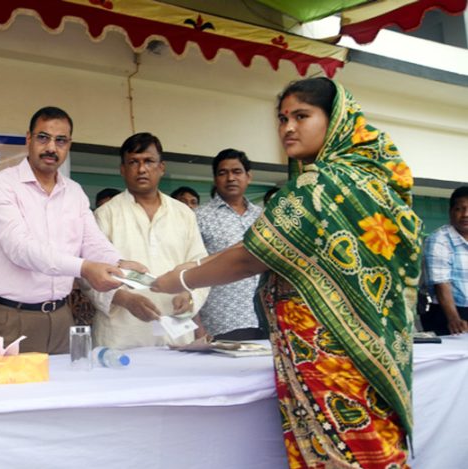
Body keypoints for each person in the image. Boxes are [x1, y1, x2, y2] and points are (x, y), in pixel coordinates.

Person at [151, 77, 419, 467]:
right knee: (368, 445)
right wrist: (194, 265)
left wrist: (182, 279)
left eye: (302, 116)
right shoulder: (366, 181)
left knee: (348, 452)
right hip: (361, 343)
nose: (288, 127)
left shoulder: (319, 185)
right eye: (282, 118)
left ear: (337, 120)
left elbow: (251, 257)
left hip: (331, 352)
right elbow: (260, 245)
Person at [0, 106, 138, 354]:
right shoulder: (2, 185)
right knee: (5, 393)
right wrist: (84, 268)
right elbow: (21, 249)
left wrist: (119, 263)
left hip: (61, 316)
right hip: (9, 316)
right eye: (43, 138)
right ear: (28, 139)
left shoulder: (74, 191)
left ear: (69, 144)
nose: (52, 147)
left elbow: (92, 241)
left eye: (60, 140)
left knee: (65, 391)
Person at [86, 133, 209, 348]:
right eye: (133, 162)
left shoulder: (184, 214)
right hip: (121, 338)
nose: (141, 169)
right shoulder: (105, 215)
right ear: (122, 169)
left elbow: (200, 265)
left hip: (176, 333)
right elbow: (89, 276)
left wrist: (189, 296)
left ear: (161, 167)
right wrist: (125, 299)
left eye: (149, 161)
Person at [194, 149, 265, 340]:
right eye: (223, 173)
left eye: (237, 172)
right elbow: (193, 267)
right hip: (222, 321)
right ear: (215, 179)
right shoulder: (199, 217)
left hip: (266, 318)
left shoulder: (264, 217)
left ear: (248, 177)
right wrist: (197, 324)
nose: (230, 178)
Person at [422, 186, 468, 335]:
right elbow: (441, 284)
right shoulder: (439, 240)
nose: (465, 214)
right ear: (450, 212)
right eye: (459, 209)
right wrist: (454, 319)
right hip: (448, 313)